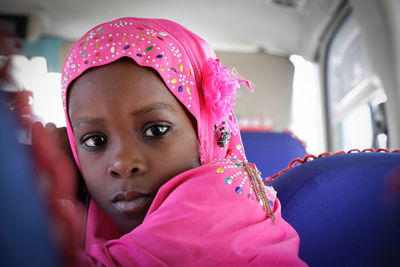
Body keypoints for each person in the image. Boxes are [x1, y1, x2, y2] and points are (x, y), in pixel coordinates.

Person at [35, 17, 306, 266]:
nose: (122, 163)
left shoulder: (221, 202)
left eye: (155, 130)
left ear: (207, 132)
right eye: (95, 140)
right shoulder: (93, 215)